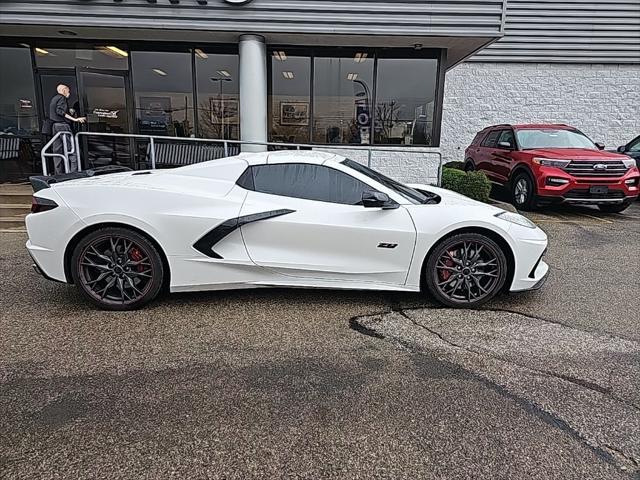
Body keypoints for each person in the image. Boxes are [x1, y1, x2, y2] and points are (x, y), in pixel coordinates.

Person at [47, 84, 86, 174]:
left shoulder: (54, 99)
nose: (69, 93)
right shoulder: (62, 98)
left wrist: (69, 111)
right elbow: (60, 111)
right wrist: (75, 119)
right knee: (72, 149)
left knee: (57, 151)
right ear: (64, 90)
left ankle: (58, 174)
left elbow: (57, 111)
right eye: (68, 91)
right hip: (63, 126)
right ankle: (74, 173)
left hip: (55, 126)